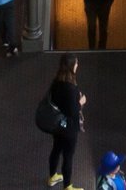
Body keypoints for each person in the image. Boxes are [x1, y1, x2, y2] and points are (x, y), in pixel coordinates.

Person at [37, 56, 84, 187]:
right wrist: (81, 102)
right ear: (71, 67)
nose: (77, 65)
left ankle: (52, 177)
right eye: (76, 63)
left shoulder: (56, 82)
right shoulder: (71, 88)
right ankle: (68, 186)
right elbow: (73, 111)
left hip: (57, 125)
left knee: (56, 149)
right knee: (68, 156)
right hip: (69, 128)